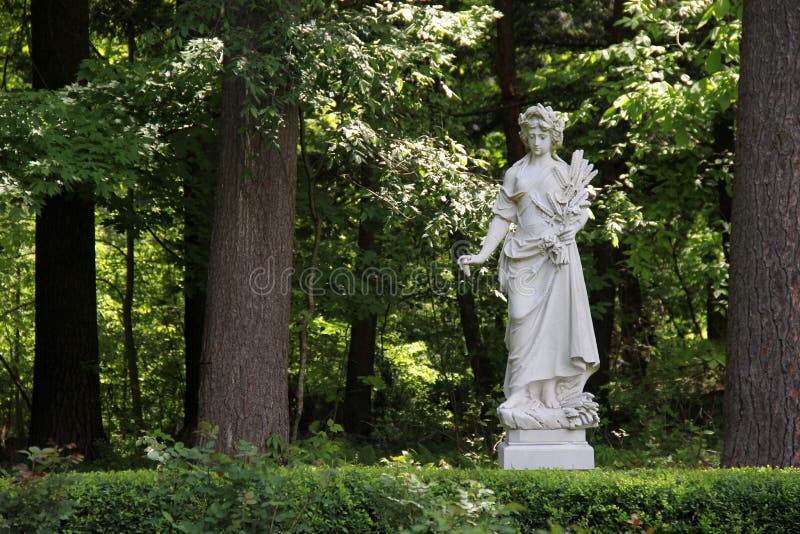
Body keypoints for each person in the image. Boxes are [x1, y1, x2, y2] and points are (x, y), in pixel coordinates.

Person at [457, 104, 599, 428]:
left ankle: (549, 394)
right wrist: (481, 255)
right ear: (524, 136)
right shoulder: (516, 173)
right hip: (522, 255)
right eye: (531, 135)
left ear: (553, 138)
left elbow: (580, 212)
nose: (536, 140)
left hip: (556, 259)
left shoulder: (563, 172)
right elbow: (501, 218)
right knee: (520, 319)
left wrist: (568, 232)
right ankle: (520, 393)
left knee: (556, 328)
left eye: (542, 135)